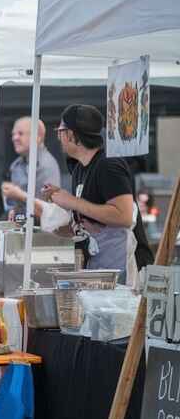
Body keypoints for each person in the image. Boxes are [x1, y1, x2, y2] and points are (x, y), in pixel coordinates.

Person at [41, 104, 153, 284]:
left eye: (60, 131)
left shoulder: (109, 165)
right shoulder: (79, 170)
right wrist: (55, 220)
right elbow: (89, 221)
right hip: (100, 269)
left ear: (71, 134)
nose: (59, 137)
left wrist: (72, 201)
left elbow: (123, 216)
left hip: (126, 273)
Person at [1, 117, 61, 217]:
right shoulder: (16, 165)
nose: (14, 138)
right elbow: (14, 206)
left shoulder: (46, 165)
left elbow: (48, 212)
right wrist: (13, 208)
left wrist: (19, 195)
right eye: (13, 134)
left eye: (20, 133)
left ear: (38, 137)